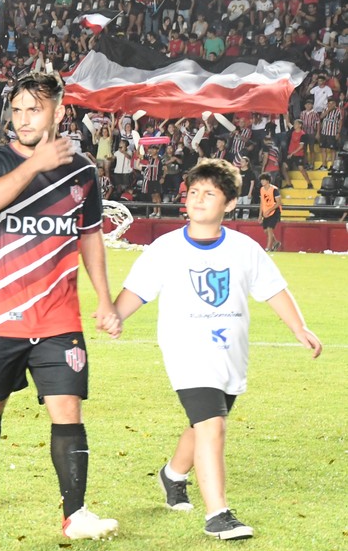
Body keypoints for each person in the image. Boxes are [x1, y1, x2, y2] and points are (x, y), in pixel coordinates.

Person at [112, 159, 322, 541]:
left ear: (229, 203)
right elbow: (137, 291)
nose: (198, 199)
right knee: (213, 425)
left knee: (203, 424)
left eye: (209, 193)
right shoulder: (166, 248)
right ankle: (218, 514)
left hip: (229, 355)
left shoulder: (245, 249)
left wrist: (299, 327)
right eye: (193, 192)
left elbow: (274, 290)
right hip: (186, 353)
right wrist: (115, 316)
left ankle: (173, 474)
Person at [0, 73, 120, 539]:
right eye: (18, 110)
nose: (24, 119)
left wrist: (105, 299)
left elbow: (90, 237)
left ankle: (76, 514)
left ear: (58, 112)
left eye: (35, 109)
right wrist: (35, 164)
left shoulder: (83, 171)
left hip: (58, 315)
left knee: (68, 409)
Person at [258, 173, 281, 252]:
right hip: (266, 212)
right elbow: (262, 203)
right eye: (261, 180)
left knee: (269, 228)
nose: (262, 181)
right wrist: (260, 215)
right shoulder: (261, 189)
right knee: (265, 231)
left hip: (274, 211)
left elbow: (278, 203)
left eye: (264, 180)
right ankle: (276, 242)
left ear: (268, 181)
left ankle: (268, 247)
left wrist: (269, 210)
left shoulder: (274, 189)